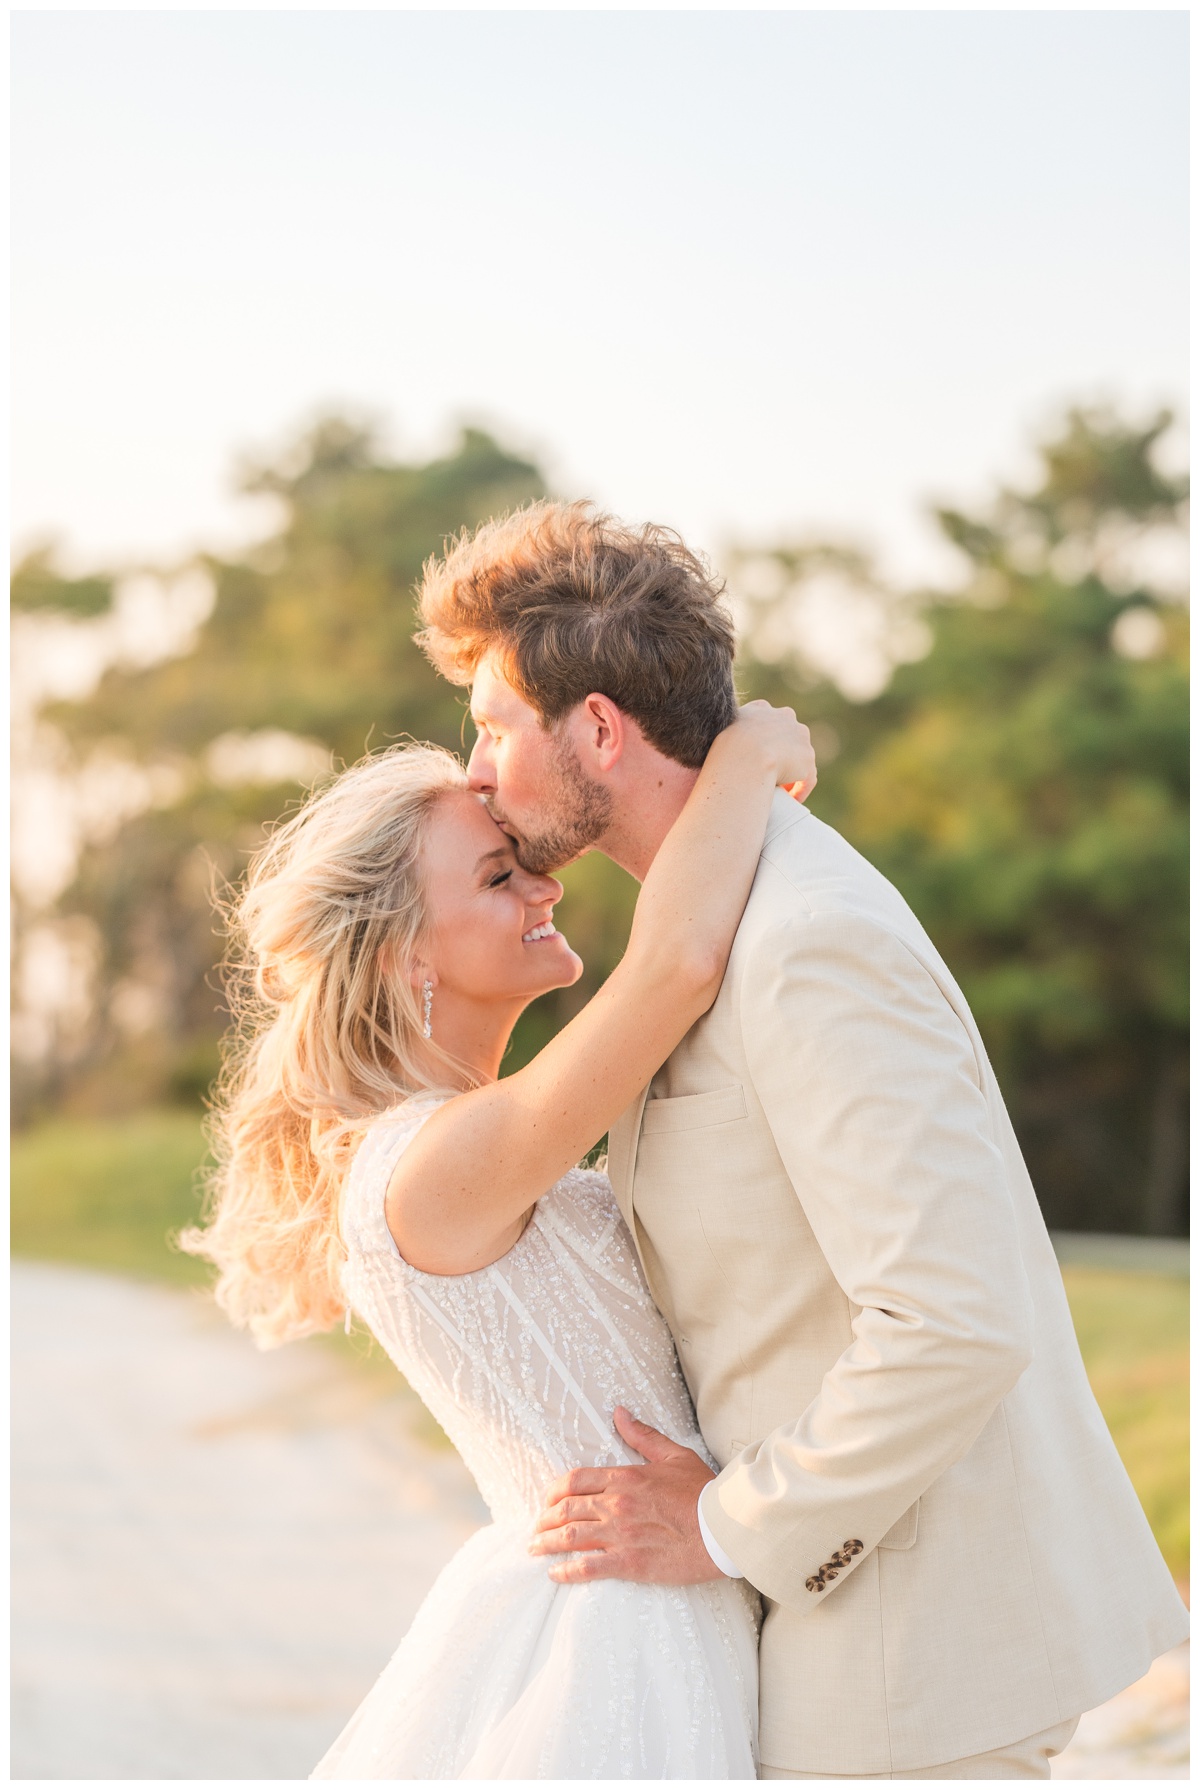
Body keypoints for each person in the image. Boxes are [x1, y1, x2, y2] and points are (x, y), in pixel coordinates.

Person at [415, 499, 1189, 1781]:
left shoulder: (805, 936)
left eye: (493, 725)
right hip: (843, 1636)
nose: (479, 769)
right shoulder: (709, 916)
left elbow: (956, 1320)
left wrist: (727, 1526)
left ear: (598, 728)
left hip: (914, 1654)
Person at [182, 700, 818, 1778]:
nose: (546, 884)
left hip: (662, 1598)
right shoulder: (428, 1165)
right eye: (495, 876)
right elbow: (677, 963)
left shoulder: (463, 1145)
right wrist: (748, 756)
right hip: (620, 1636)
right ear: (402, 957)